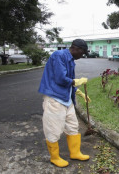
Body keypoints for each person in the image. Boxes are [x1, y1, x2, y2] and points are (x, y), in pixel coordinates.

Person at [38, 39, 91, 167]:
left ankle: (75, 153)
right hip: (55, 99)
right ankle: (55, 157)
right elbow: (61, 78)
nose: (82, 56)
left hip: (67, 99)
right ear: (76, 49)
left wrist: (79, 93)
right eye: (82, 53)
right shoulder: (59, 56)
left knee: (73, 126)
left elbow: (68, 81)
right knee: (53, 129)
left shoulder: (71, 60)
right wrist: (77, 81)